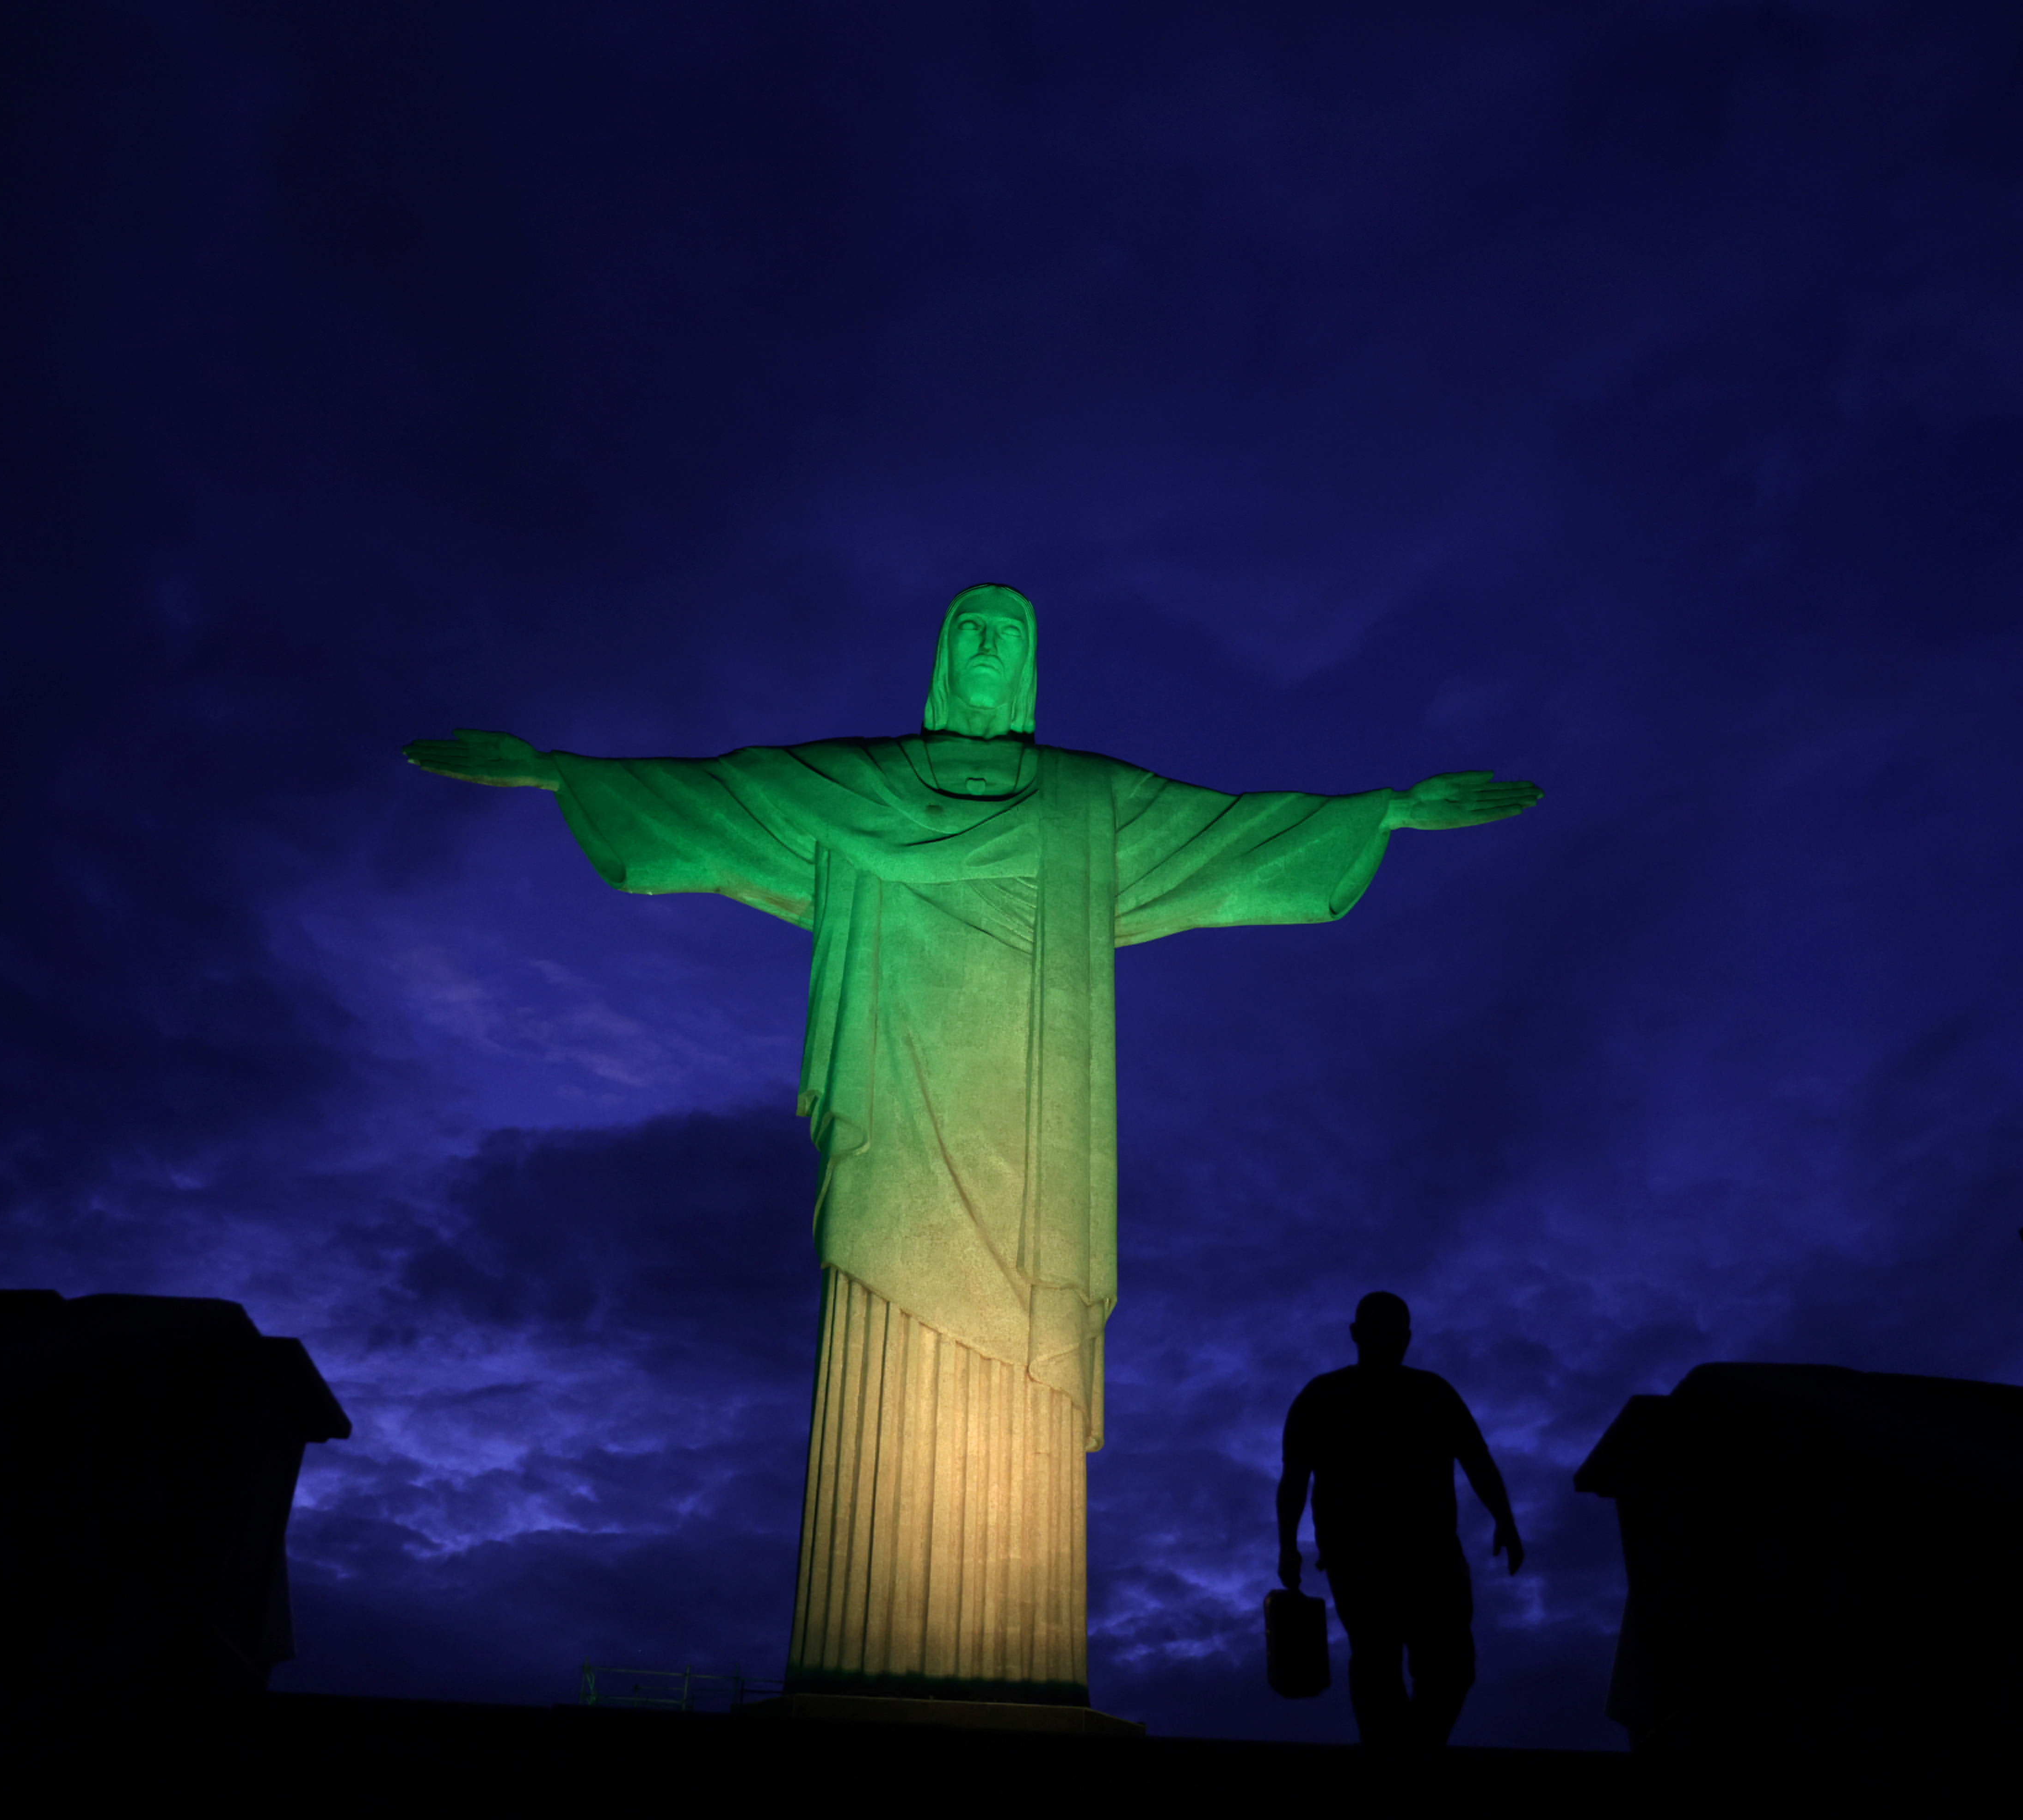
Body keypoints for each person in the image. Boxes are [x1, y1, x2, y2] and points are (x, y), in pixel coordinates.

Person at [406, 586, 1542, 1704]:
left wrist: (1381, 812)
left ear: (1032, 663)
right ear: (948, 656)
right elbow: (732, 795)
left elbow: (1228, 830)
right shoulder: (863, 787)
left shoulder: (1083, 805)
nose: (992, 650)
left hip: (1034, 1152)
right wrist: (565, 773)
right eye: (974, 634)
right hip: (896, 1112)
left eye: (1012, 637)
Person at [1278, 1291, 1523, 1748]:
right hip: (1357, 1551)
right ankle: (1393, 1754)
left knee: (1451, 1664)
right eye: (1378, 1329)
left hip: (1431, 1550)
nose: (1388, 1340)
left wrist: (1505, 1519)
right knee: (1377, 1656)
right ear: (1357, 1334)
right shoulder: (1323, 1397)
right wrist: (1287, 1544)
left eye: (1396, 1331)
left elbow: (1477, 1459)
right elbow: (1294, 1477)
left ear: (1407, 1337)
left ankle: (1410, 1749)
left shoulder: (1433, 1393)